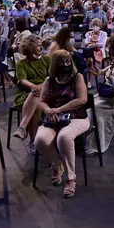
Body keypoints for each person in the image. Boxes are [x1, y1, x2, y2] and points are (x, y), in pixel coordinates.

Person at [34, 50, 91, 198]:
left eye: (67, 61)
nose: (65, 64)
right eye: (62, 62)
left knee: (64, 137)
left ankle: (71, 178)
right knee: (40, 139)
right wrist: (49, 112)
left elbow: (82, 100)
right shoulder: (49, 80)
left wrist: (59, 110)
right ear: (55, 64)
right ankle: (56, 165)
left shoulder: (77, 77)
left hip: (76, 117)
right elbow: (41, 102)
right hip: (53, 117)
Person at [12, 35, 49, 154]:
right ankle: (34, 141)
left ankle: (22, 128)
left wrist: (40, 87)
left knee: (36, 95)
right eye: (38, 45)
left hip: (46, 91)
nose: (41, 47)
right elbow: (21, 79)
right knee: (35, 99)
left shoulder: (47, 60)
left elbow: (51, 78)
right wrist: (33, 86)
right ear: (30, 47)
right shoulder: (21, 64)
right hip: (25, 93)